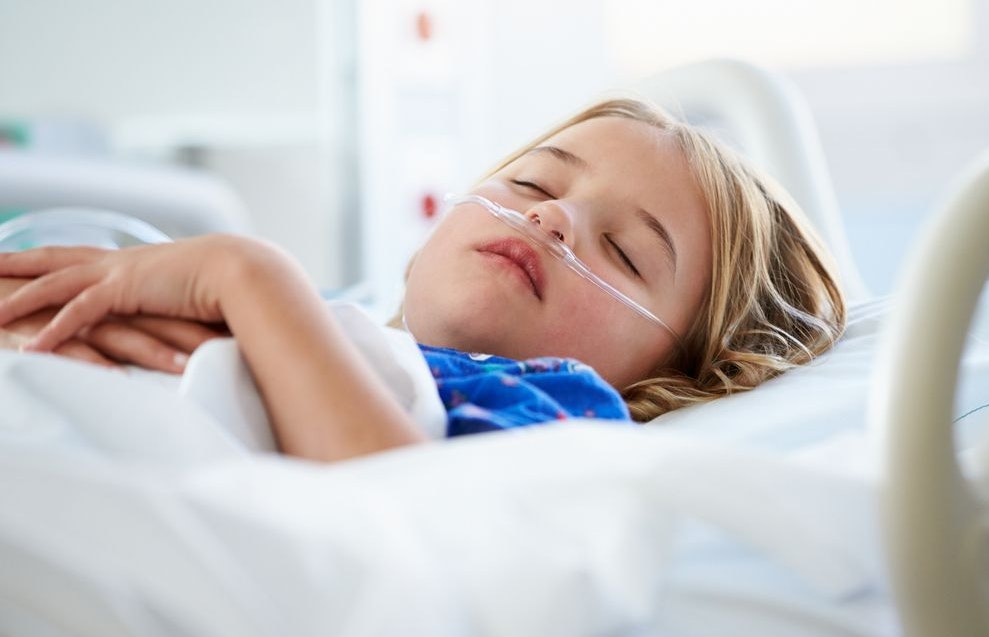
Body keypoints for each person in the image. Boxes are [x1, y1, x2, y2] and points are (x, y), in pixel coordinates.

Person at [0, 97, 844, 461]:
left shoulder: (557, 417)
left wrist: (248, 275)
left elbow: (404, 508)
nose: (552, 219)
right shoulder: (342, 322)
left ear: (672, 375)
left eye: (625, 252)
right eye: (533, 185)